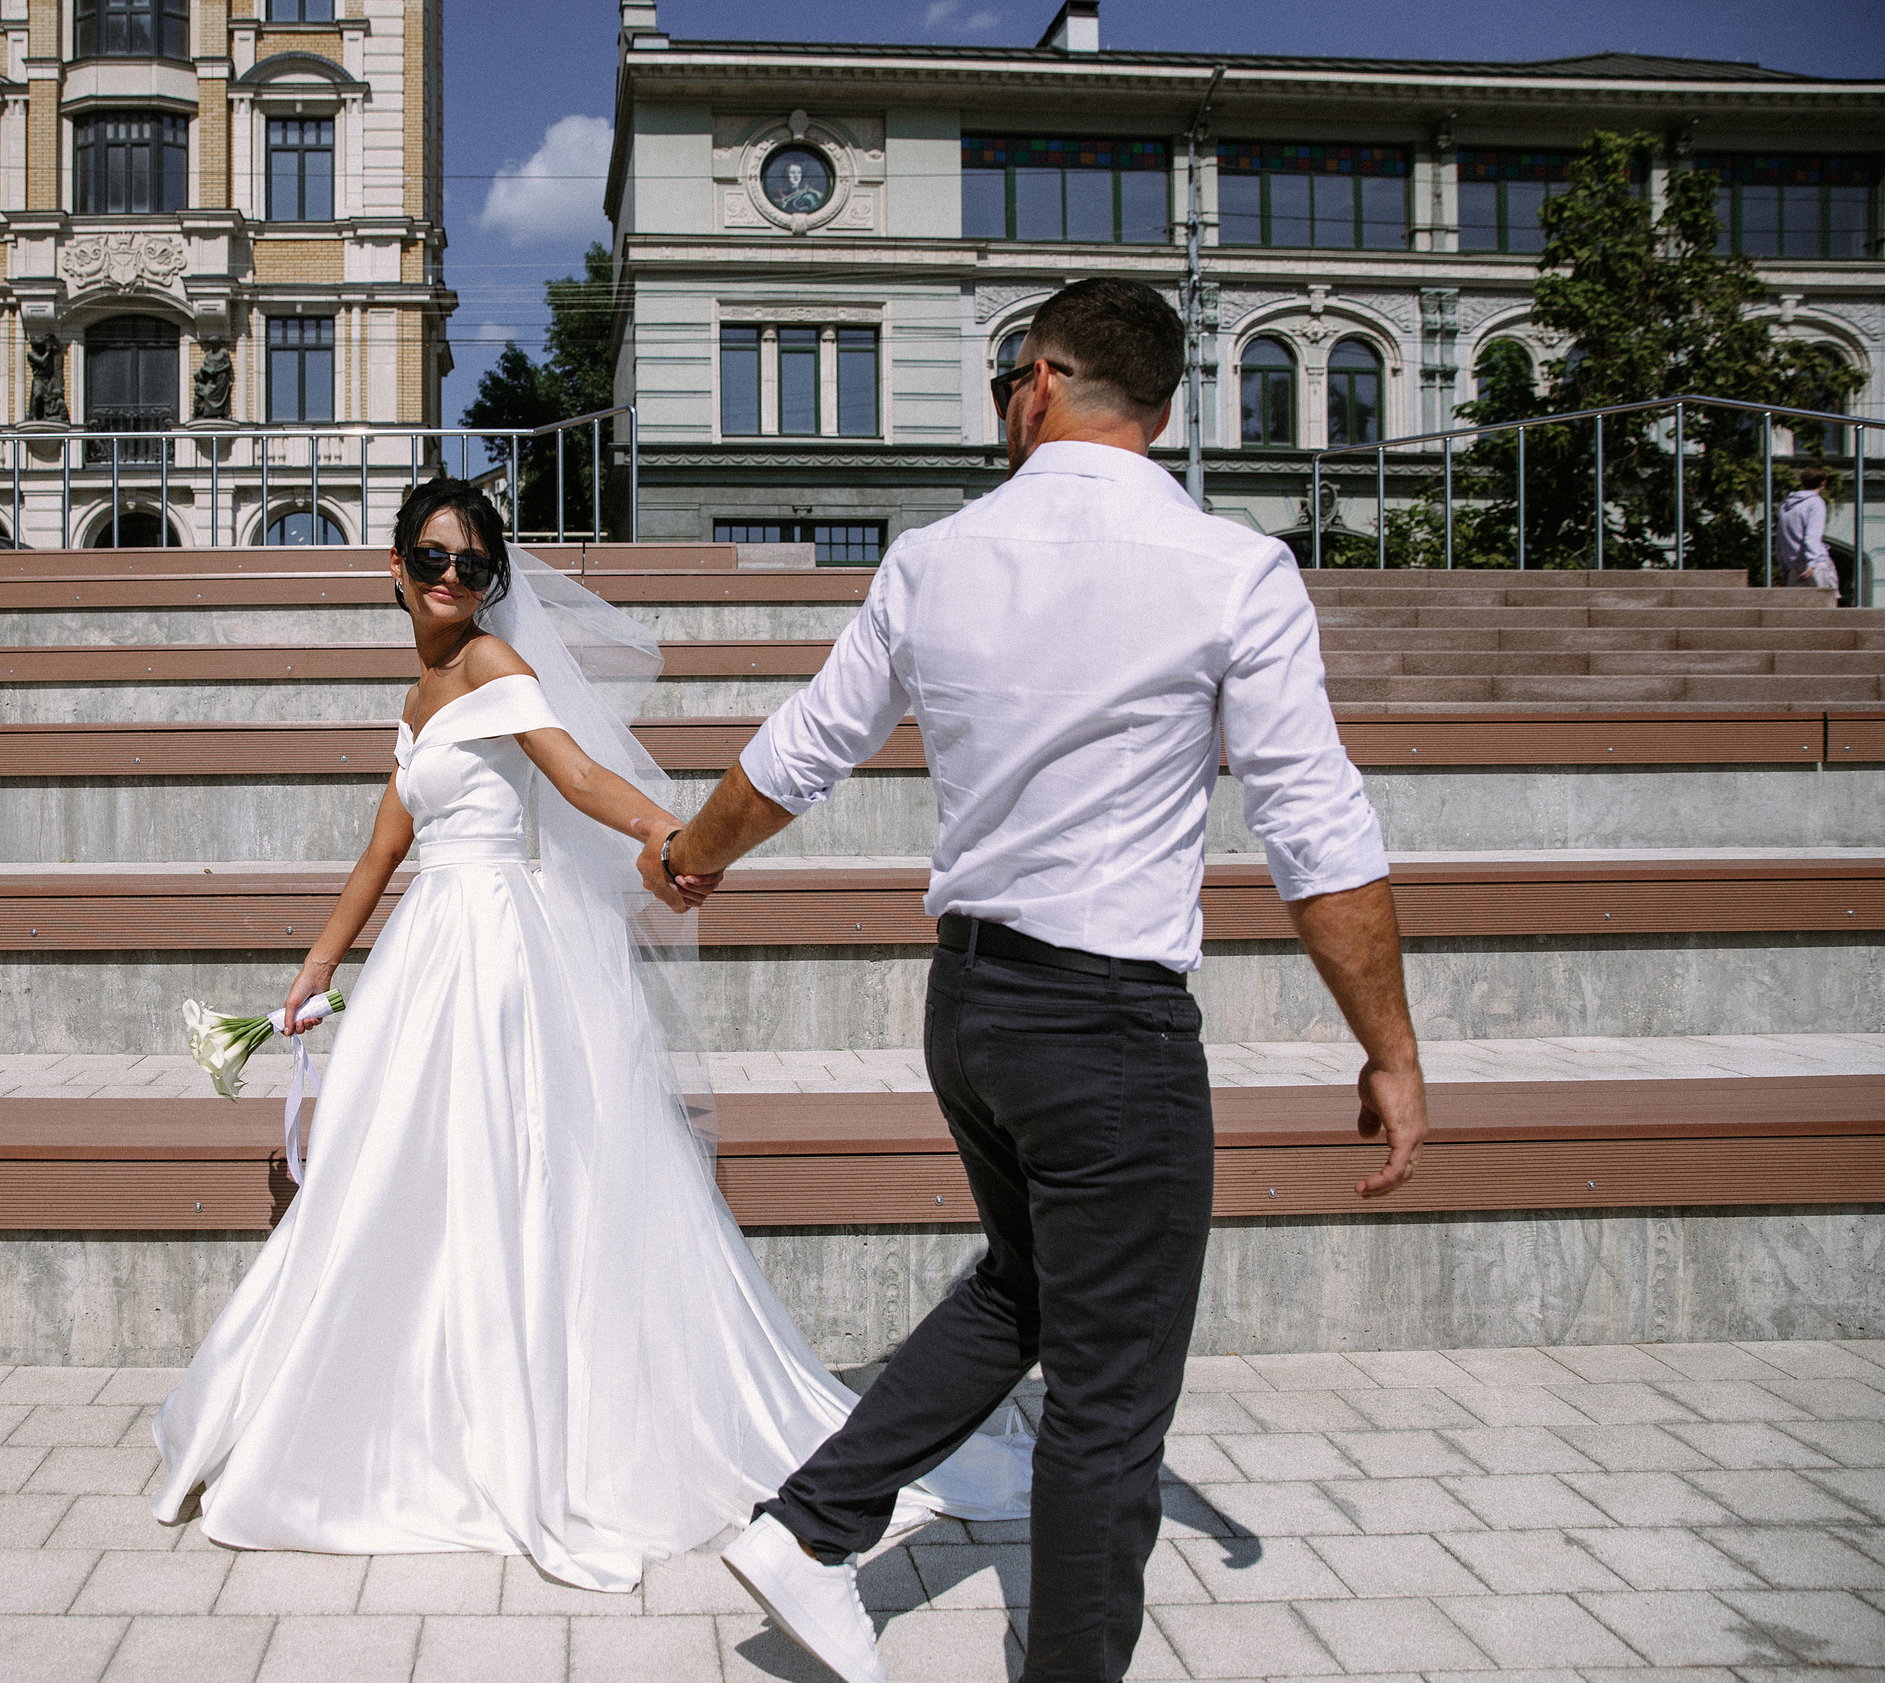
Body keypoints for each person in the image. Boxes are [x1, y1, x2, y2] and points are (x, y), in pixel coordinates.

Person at [659, 279, 1430, 1683]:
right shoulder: (1232, 569)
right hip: (1106, 1027)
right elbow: (1313, 825)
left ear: (1042, 380)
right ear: (1165, 411)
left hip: (972, 1007)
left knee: (1025, 1286)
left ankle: (813, 1525)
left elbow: (807, 744)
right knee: (1110, 1402)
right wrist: (1388, 1044)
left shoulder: (935, 557)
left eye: (1006, 382)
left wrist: (687, 857)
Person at [148, 477, 1032, 1593]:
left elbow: (576, 776)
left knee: (503, 1169)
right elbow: (384, 848)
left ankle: (510, 1420)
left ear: (491, 583)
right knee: (408, 1172)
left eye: (474, 565)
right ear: (395, 566)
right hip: (430, 949)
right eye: (434, 558)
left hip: (495, 952)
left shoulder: (493, 665)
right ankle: (411, 1399)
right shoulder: (419, 693)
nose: (453, 579)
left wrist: (672, 838)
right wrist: (316, 969)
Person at [1778, 465, 1839, 595]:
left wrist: (1783, 571)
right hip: (1815, 564)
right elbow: (1812, 536)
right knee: (1827, 602)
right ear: (1823, 482)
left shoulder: (1785, 506)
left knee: (1798, 605)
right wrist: (1812, 562)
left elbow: (1781, 540)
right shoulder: (1815, 503)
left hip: (1793, 567)